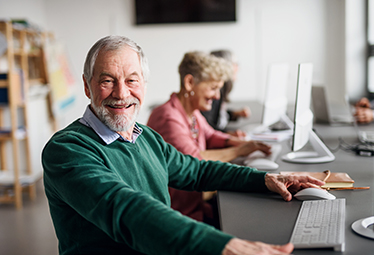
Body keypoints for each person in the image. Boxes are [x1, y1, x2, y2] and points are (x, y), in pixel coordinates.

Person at [42, 35, 325, 255]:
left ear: (144, 84)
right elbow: (126, 209)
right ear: (87, 86)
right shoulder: (67, 150)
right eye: (107, 81)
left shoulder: (145, 137)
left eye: (132, 80)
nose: (121, 93)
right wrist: (222, 246)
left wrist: (267, 178)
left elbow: (198, 172)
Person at [147, 51, 271, 229]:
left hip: (195, 206)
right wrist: (239, 151)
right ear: (190, 83)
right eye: (213, 88)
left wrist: (241, 143)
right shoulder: (168, 117)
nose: (217, 96)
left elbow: (211, 135)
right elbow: (194, 161)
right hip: (178, 218)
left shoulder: (191, 112)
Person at [201, 50, 250, 138]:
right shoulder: (214, 91)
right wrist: (227, 135)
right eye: (235, 63)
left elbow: (217, 116)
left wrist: (234, 114)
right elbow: (207, 125)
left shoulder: (220, 89)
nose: (238, 67)